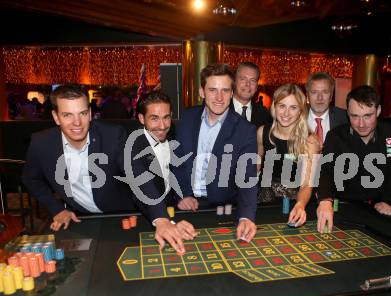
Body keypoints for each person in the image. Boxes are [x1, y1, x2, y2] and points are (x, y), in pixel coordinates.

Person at [22, 84, 136, 231]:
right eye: (67, 115)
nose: (77, 122)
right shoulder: (41, 143)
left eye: (82, 113)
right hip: (80, 218)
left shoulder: (113, 135)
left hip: (123, 215)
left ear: (89, 114)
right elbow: (31, 179)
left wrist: (157, 215)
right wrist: (56, 208)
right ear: (56, 117)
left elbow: (137, 175)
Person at [174, 63, 258, 242]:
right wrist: (182, 194)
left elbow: (247, 179)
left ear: (232, 93)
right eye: (213, 90)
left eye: (225, 90)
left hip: (222, 211)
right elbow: (177, 162)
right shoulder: (187, 118)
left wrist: (246, 217)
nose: (219, 97)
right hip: (185, 206)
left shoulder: (245, 130)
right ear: (202, 92)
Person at [316, 85, 391, 233]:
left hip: (378, 207)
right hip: (344, 205)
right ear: (348, 114)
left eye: (367, 116)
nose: (361, 124)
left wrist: (389, 201)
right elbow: (325, 171)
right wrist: (325, 199)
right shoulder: (335, 136)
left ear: (378, 111)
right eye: (355, 116)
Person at [133, 91, 196, 254]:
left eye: (166, 117)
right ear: (141, 119)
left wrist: (182, 196)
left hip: (170, 207)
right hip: (145, 213)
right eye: (154, 118)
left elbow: (176, 170)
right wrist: (164, 221)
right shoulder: (133, 146)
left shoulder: (174, 134)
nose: (162, 126)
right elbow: (143, 186)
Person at [257, 84, 320, 226]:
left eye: (293, 107)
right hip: (265, 201)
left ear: (300, 111)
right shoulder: (262, 132)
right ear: (274, 106)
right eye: (282, 106)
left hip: (296, 202)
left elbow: (306, 185)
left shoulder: (310, 141)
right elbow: (255, 168)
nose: (286, 113)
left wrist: (300, 205)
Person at [306, 72, 347, 146]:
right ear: (307, 96)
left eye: (325, 92)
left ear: (331, 96)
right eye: (314, 92)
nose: (319, 98)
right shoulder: (296, 117)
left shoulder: (345, 118)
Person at [231, 62, 272, 128]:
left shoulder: (264, 114)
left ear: (256, 87)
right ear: (234, 82)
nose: (248, 84)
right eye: (243, 79)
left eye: (252, 80)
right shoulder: (222, 109)